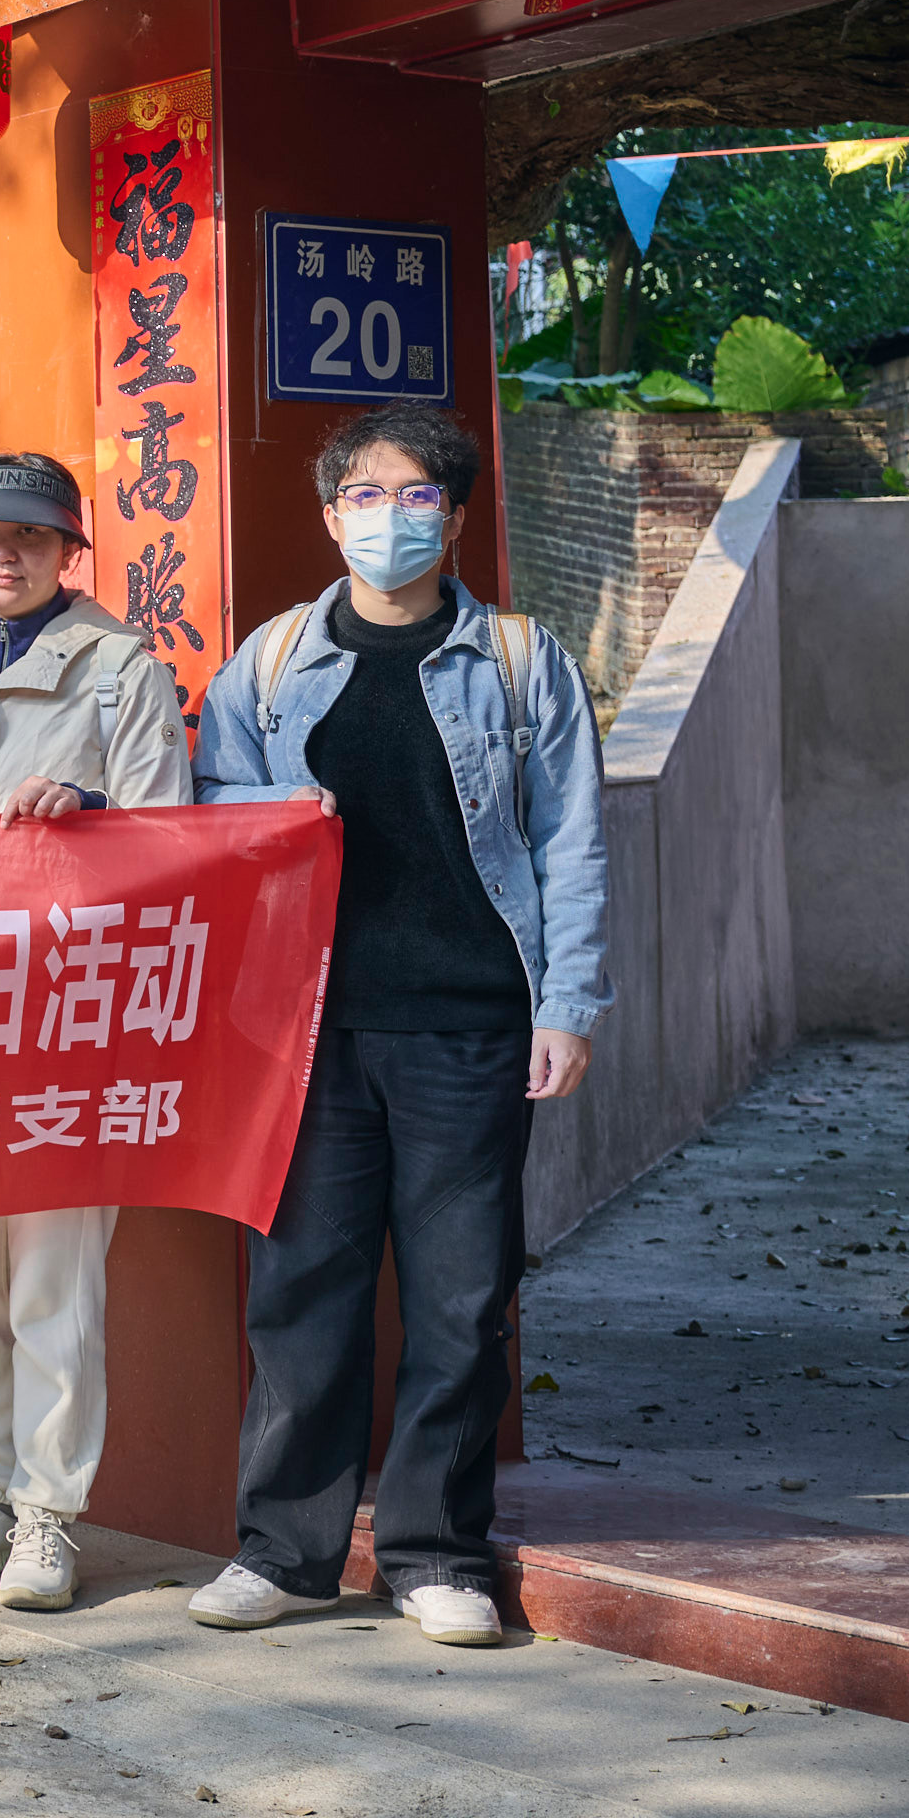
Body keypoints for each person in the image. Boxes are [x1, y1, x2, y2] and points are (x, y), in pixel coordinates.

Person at [186, 405, 607, 1649]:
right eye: (364, 496)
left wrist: (567, 1007)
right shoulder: (270, 663)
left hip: (471, 1026)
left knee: (462, 1301)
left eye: (416, 495)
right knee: (301, 1293)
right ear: (330, 518)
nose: (389, 518)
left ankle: (434, 1554)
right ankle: (284, 1553)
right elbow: (207, 806)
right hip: (309, 1029)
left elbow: (573, 842)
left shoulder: (522, 662)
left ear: (456, 516)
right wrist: (280, 803)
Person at [0, 452, 194, 1611]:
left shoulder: (119, 669)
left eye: (26, 537)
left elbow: (172, 845)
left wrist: (91, 810)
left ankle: (50, 1514)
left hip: (64, 1020)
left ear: (67, 549)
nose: (0, 555)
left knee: (54, 1277)